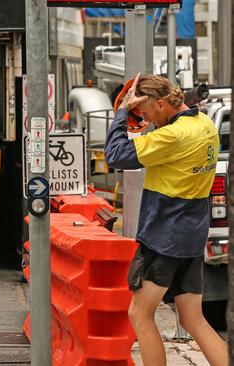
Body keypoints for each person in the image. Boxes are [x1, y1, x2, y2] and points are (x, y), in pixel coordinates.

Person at [104, 74, 227, 366]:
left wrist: (122, 114)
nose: (147, 120)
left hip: (164, 236)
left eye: (146, 113)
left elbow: (115, 155)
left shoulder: (172, 136)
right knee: (193, 319)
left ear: (160, 103)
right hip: (193, 236)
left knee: (139, 314)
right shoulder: (205, 126)